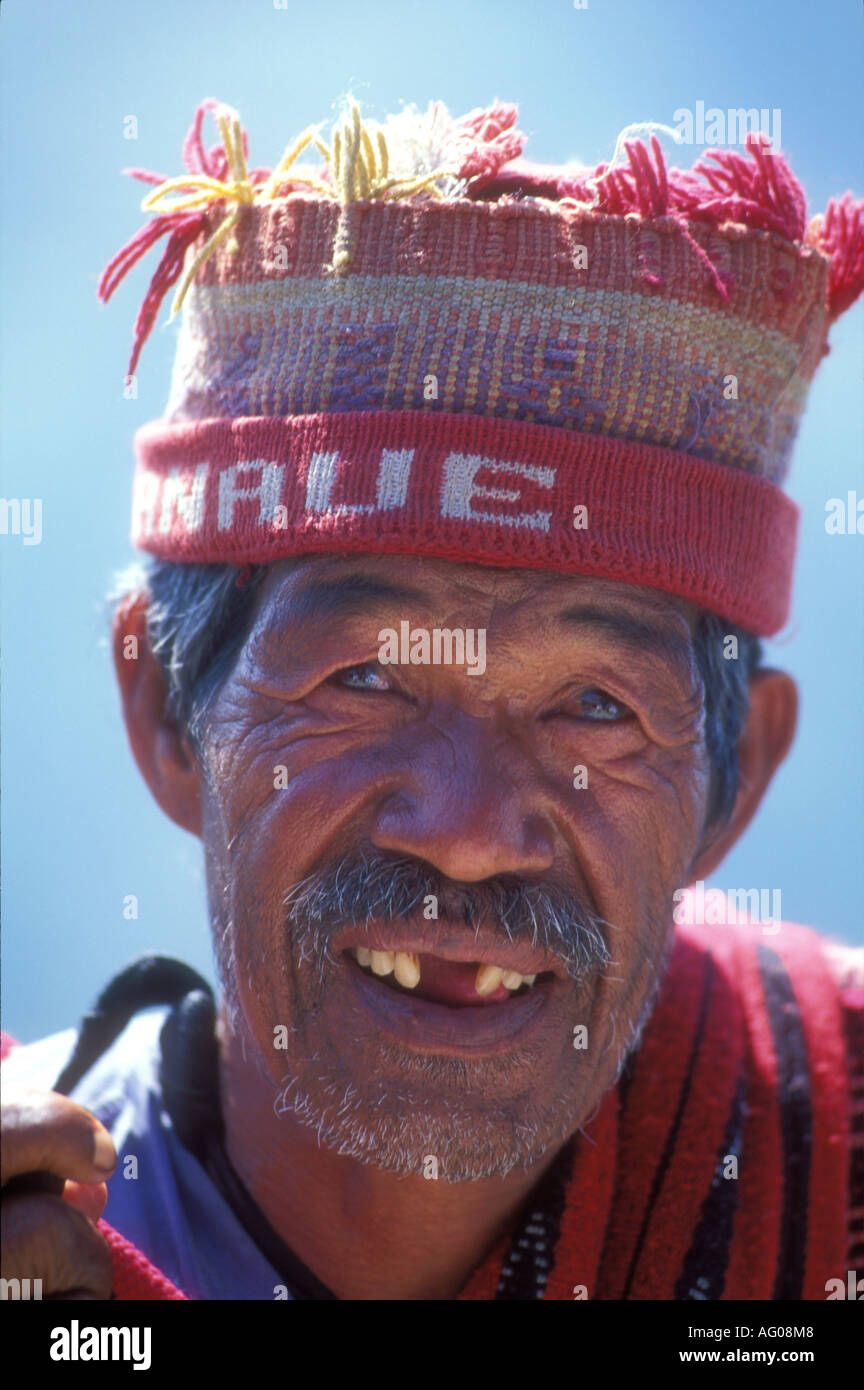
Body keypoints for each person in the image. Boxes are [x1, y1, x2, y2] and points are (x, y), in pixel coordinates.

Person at [2, 95, 862, 1302]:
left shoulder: (838, 1150)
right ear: (166, 713)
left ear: (735, 785)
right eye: (363, 678)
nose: (467, 834)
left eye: (597, 708)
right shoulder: (32, 1235)